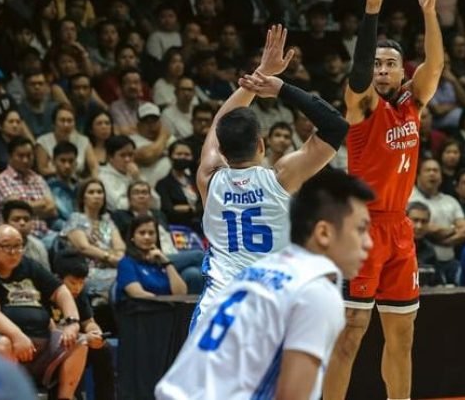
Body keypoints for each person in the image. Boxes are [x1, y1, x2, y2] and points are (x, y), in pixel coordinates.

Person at [324, 0, 444, 400]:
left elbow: (435, 65)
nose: (381, 70)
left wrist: (428, 12)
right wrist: (372, 9)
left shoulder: (412, 102)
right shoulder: (362, 108)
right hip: (362, 228)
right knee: (351, 331)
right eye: (376, 64)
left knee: (403, 334)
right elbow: (357, 76)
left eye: (390, 64)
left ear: (401, 70)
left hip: (398, 228)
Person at [155, 168, 374, 400]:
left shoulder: (265, 268)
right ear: (323, 233)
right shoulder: (315, 291)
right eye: (361, 230)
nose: (369, 242)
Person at [191, 24, 349, 330]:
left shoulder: (208, 176)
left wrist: (256, 76)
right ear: (261, 145)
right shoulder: (282, 178)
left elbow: (220, 121)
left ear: (221, 147)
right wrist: (279, 87)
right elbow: (335, 126)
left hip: (218, 308)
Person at [0, 225, 87, 400]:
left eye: (18, 246)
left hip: (42, 341)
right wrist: (17, 335)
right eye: (6, 246)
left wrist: (72, 322)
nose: (13, 252)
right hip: (1, 343)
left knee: (80, 341)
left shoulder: (29, 266)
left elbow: (61, 291)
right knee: (4, 343)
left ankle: (65, 397)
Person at [52, 250, 116, 400]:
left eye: (81, 283)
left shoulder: (79, 294)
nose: (77, 288)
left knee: (103, 348)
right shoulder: (48, 291)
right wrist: (84, 337)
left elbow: (88, 322)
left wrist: (95, 333)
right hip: (56, 343)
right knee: (79, 347)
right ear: (58, 279)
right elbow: (52, 330)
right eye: (73, 283)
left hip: (79, 340)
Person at [61, 179, 125, 299]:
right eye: (91, 192)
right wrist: (109, 257)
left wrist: (120, 257)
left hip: (113, 267)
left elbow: (120, 246)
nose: (96, 196)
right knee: (126, 278)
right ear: (82, 198)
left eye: (100, 192)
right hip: (88, 271)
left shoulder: (106, 220)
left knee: (133, 274)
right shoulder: (76, 218)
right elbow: (84, 247)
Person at [116, 214, 187, 300]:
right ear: (132, 237)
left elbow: (181, 293)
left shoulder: (161, 263)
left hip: (168, 309)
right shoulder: (126, 263)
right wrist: (165, 303)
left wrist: (167, 263)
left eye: (151, 233)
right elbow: (137, 293)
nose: (147, 237)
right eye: (142, 233)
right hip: (144, 310)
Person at [0, 199, 50, 271]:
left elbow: (47, 279)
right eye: (16, 219)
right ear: (5, 223)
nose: (22, 223)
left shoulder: (38, 246)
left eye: (26, 219)